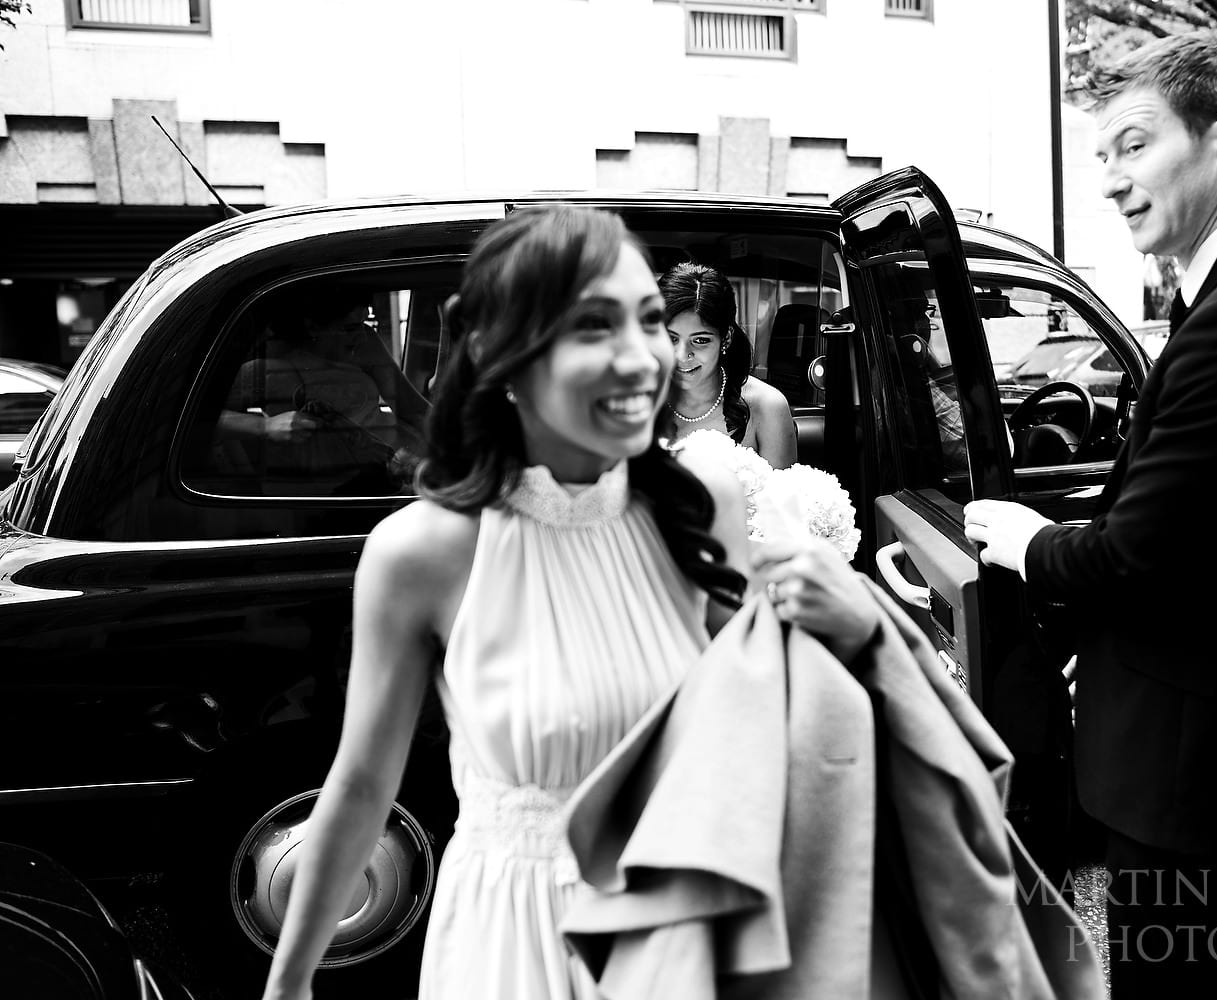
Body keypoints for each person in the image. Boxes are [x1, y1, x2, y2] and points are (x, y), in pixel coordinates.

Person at [257, 205, 879, 1000]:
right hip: (513, 942)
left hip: (675, 935)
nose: (644, 357)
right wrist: (290, 981)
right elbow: (361, 786)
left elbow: (756, 725)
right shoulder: (423, 552)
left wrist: (848, 632)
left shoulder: (702, 502)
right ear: (507, 356)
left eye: (648, 321)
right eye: (595, 327)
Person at [962, 31, 1217, 999]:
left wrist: (1029, 542)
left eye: (1136, 144)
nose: (1112, 179)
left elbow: (1136, 551)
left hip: (1205, 795)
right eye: (1103, 154)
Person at [216, 287, 428, 491]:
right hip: (326, 491)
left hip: (396, 473)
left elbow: (412, 408)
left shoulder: (365, 345)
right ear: (313, 327)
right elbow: (204, 420)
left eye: (364, 323)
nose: (362, 335)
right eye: (350, 328)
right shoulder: (266, 370)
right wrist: (265, 426)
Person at [658, 262, 797, 468]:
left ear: (726, 338)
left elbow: (782, 490)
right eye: (671, 338)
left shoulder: (767, 406)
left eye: (700, 340)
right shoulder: (638, 399)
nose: (682, 355)